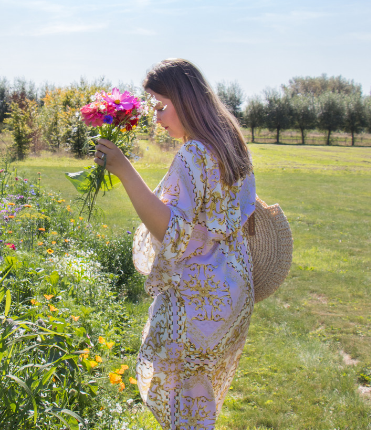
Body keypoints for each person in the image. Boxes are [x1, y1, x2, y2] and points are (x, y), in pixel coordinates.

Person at [93, 58, 255, 429]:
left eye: (162, 107)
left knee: (184, 406)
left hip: (196, 299)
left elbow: (172, 230)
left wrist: (123, 169)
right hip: (230, 293)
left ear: (187, 100)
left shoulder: (195, 152)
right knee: (200, 398)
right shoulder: (230, 145)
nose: (158, 119)